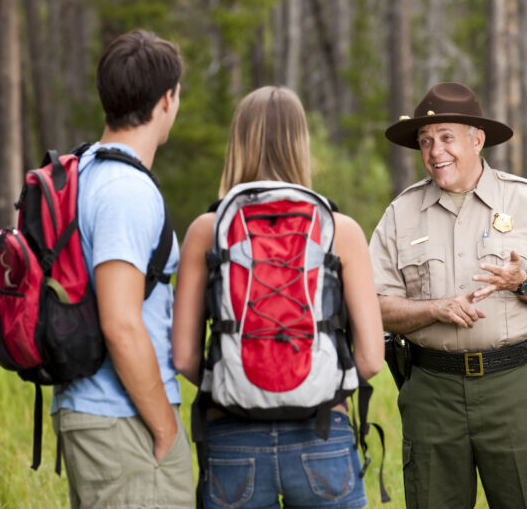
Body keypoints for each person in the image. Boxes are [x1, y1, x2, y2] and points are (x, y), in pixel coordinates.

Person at [369, 82, 527, 509]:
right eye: (425, 141)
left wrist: (523, 282)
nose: (435, 151)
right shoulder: (401, 213)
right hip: (432, 392)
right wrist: (435, 309)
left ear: (477, 140)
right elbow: (374, 307)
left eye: (446, 137)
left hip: (514, 388)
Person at [172, 85, 384, 509]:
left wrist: (238, 386)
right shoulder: (339, 230)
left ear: (237, 143)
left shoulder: (206, 230)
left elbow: (183, 358)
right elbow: (371, 359)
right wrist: (317, 386)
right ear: (300, 144)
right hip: (322, 432)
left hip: (231, 437)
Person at [50, 29, 194, 508]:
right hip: (122, 418)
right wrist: (165, 427)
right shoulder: (125, 190)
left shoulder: (84, 171)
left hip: (95, 411)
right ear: (167, 99)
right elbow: (120, 323)